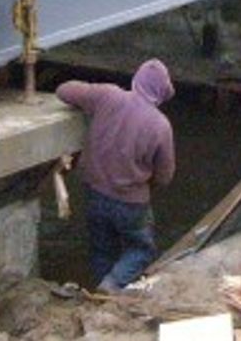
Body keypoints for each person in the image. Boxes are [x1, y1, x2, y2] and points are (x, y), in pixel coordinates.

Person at [56, 59, 175, 293]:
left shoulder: (107, 96)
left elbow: (64, 90)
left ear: (135, 81)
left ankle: (102, 292)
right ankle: (112, 284)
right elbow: (165, 176)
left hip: (95, 192)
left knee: (101, 249)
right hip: (131, 202)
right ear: (161, 94)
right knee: (142, 250)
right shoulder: (161, 126)